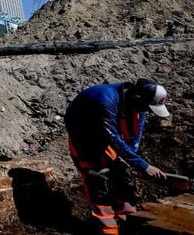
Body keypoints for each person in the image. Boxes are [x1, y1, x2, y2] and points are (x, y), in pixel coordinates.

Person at [64, 79, 170, 234]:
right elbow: (114, 139)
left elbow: (135, 136)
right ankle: (108, 229)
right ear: (138, 98)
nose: (145, 111)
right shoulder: (104, 100)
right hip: (84, 138)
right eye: (145, 107)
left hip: (107, 136)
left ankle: (128, 220)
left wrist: (131, 157)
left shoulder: (138, 104)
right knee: (97, 181)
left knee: (123, 173)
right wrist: (143, 166)